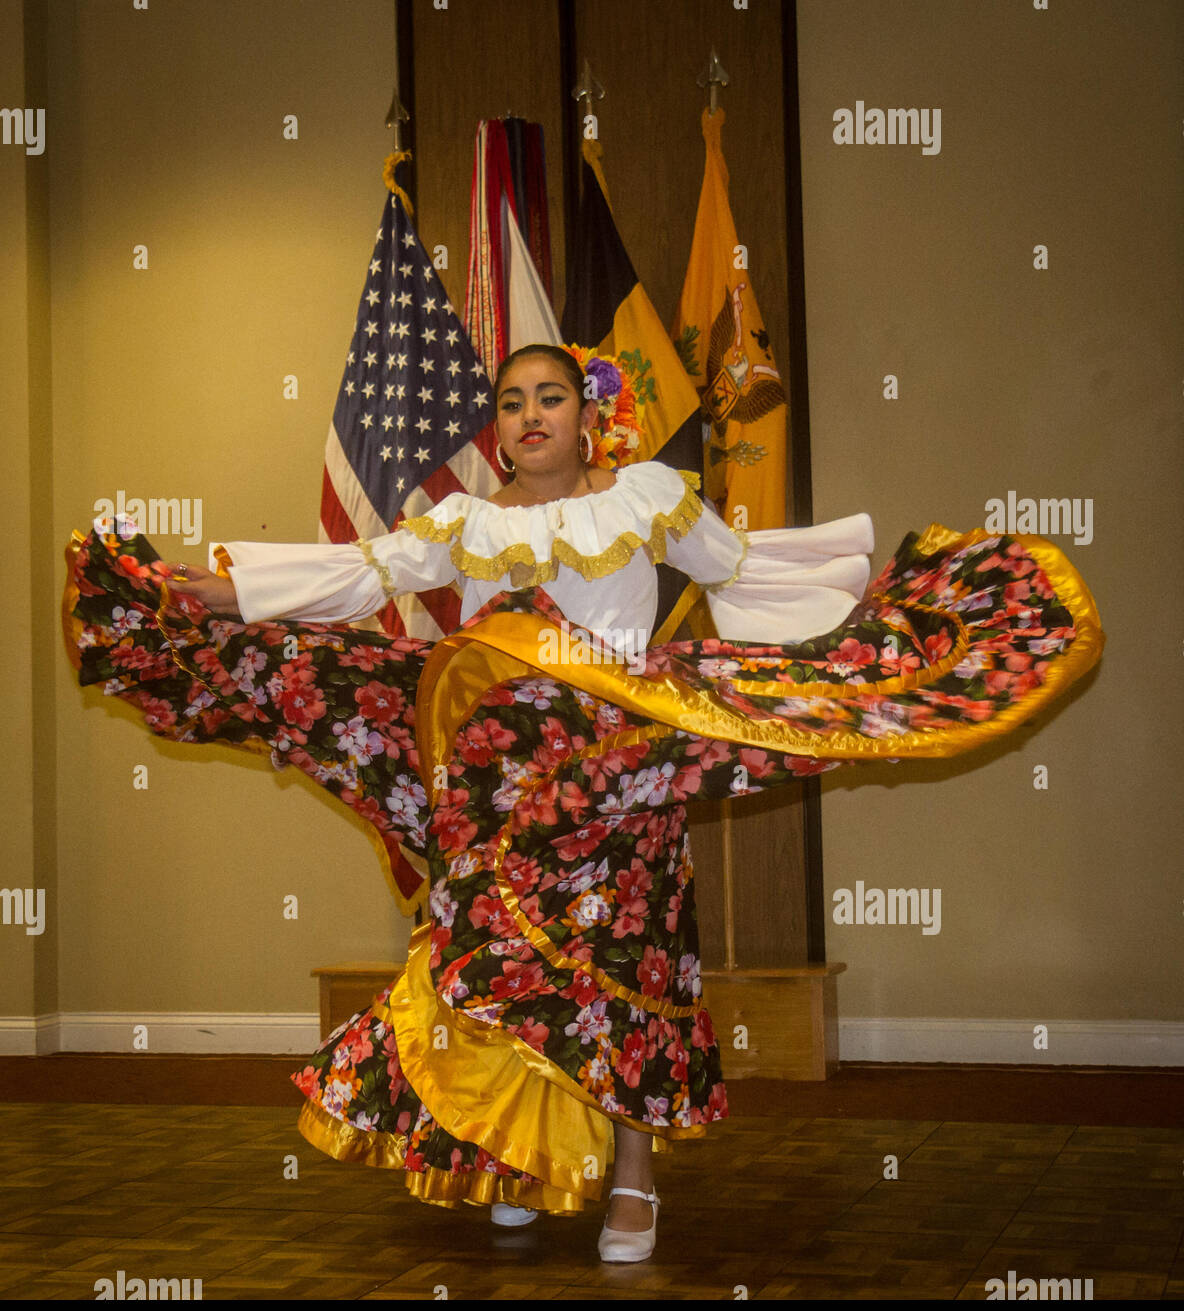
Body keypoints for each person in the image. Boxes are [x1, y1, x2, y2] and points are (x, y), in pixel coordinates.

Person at [62, 342, 1105, 1264]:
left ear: (582, 412)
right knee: (489, 965)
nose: (528, 416)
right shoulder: (460, 521)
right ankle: (517, 1163)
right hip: (497, 789)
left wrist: (856, 637)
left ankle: (632, 1178)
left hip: (615, 776)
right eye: (510, 402)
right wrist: (221, 594)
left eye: (548, 395)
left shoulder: (647, 497)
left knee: (617, 971)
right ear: (499, 429)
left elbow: (742, 578)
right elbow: (355, 576)